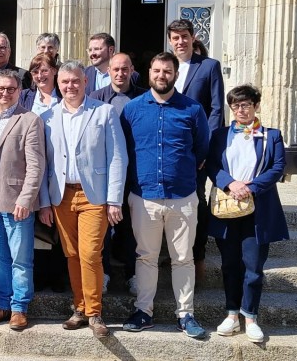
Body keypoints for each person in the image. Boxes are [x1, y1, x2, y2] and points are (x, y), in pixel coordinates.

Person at [120, 52, 210, 339]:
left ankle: (185, 314)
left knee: (183, 258)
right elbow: (124, 151)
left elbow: (202, 150)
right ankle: (143, 311)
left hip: (182, 196)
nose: (162, 76)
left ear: (176, 75)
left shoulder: (192, 109)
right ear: (149, 73)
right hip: (144, 196)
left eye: (167, 71)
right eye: (157, 70)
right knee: (145, 257)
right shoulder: (132, 110)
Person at [38, 61, 128, 338]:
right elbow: (44, 164)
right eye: (65, 82)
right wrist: (44, 202)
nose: (70, 86)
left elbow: (117, 157)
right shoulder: (48, 117)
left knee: (90, 253)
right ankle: (79, 308)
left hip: (94, 195)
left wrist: (114, 199)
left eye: (76, 81)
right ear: (58, 84)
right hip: (61, 195)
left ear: (85, 82)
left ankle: (95, 312)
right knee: (72, 254)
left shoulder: (104, 112)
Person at [207, 84, 288, 343]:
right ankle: (232, 314)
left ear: (256, 106)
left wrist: (250, 187)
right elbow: (212, 165)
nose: (240, 110)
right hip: (227, 206)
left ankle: (250, 317)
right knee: (230, 264)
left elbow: (277, 167)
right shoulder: (220, 135)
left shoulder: (271, 136)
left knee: (253, 266)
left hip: (258, 209)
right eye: (235, 106)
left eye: (245, 105)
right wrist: (231, 183)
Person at [0, 69, 45, 331]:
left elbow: (36, 166)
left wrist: (26, 199)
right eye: (0, 88)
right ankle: (3, 304)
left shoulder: (29, 120)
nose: (5, 93)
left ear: (19, 91)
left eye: (11, 89)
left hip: (16, 202)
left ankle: (19, 308)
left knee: (20, 259)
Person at [166, 19, 226, 282]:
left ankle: (197, 256)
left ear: (193, 37)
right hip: (169, 148)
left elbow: (216, 109)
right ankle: (171, 253)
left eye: (184, 37)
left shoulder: (209, 66)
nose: (180, 42)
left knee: (196, 202)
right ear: (170, 40)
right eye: (175, 37)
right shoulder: (165, 65)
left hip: (196, 152)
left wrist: (205, 149)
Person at [90, 52, 146, 295]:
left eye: (125, 69)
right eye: (116, 69)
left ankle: (133, 274)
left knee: (133, 226)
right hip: (105, 172)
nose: (121, 74)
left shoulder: (144, 97)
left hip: (136, 171)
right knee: (103, 226)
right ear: (109, 71)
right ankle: (103, 274)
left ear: (132, 70)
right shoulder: (95, 98)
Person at [18, 53, 65, 294]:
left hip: (60, 168)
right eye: (35, 71)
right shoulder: (26, 98)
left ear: (55, 71)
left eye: (45, 70)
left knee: (59, 223)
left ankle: (58, 276)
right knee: (37, 224)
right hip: (32, 167)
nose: (40, 75)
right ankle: (40, 274)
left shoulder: (65, 96)